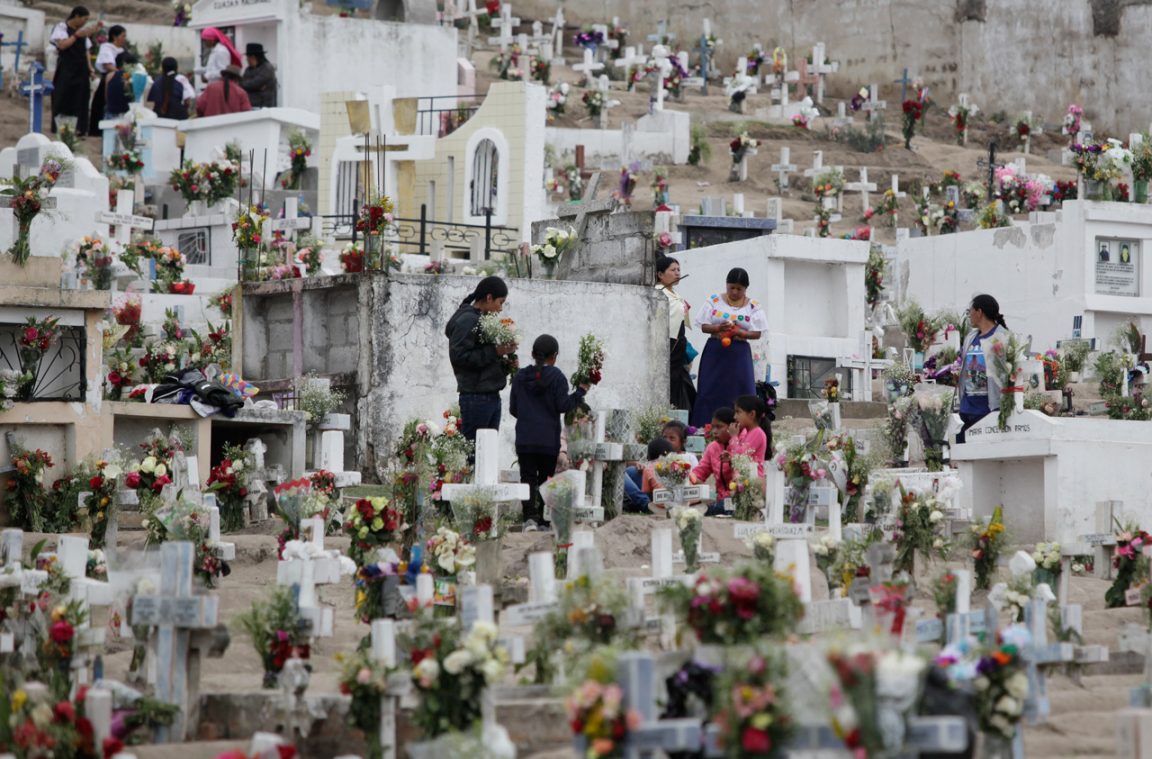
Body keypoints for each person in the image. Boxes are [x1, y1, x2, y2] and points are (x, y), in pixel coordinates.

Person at [509, 334, 589, 528]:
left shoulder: (520, 377)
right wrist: (580, 392)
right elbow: (563, 405)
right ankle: (545, 519)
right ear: (555, 356)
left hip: (525, 438)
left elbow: (513, 409)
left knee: (527, 477)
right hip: (547, 439)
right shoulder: (557, 377)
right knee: (547, 477)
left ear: (532, 354)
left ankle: (529, 517)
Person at [690, 267, 768, 427]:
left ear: (746, 289)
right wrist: (719, 328)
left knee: (740, 390)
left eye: (739, 289)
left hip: (739, 354)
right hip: (716, 352)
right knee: (709, 390)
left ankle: (741, 428)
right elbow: (704, 326)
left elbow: (757, 333)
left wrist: (740, 332)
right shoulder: (714, 301)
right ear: (726, 285)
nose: (734, 292)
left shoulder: (753, 306)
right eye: (731, 287)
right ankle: (704, 428)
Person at [444, 276, 514, 441]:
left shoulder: (480, 318)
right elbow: (459, 357)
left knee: (488, 453)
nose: (500, 308)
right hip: (476, 397)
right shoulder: (468, 320)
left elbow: (484, 359)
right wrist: (495, 351)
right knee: (475, 454)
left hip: (489, 395)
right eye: (500, 302)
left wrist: (505, 364)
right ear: (489, 298)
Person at [956, 294, 1008, 443]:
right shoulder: (970, 338)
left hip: (988, 409)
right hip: (968, 409)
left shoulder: (1002, 337)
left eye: (970, 311)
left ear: (979, 312)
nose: (969, 315)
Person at [49, 7, 103, 136]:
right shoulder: (62, 28)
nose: (85, 22)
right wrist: (75, 36)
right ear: (77, 16)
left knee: (81, 98)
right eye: (84, 19)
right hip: (66, 69)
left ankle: (79, 128)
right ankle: (61, 127)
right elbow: (62, 45)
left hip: (81, 69)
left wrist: (90, 68)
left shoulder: (82, 32)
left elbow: (86, 51)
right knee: (63, 96)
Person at [654, 256, 696, 413]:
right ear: (660, 274)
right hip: (669, 345)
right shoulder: (658, 292)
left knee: (681, 383)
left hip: (679, 345)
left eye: (679, 270)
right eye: (673, 270)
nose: (677, 273)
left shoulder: (674, 293)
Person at [690, 407, 735, 515]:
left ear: (733, 426)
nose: (714, 432)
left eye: (719, 427)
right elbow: (700, 472)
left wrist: (734, 441)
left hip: (736, 499)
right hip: (720, 500)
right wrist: (686, 476)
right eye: (713, 427)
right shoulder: (712, 448)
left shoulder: (742, 445)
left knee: (707, 510)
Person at [89, 23, 126, 134]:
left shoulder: (121, 49)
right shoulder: (107, 48)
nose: (124, 39)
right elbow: (107, 65)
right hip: (110, 79)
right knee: (102, 104)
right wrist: (120, 74)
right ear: (115, 36)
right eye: (123, 36)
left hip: (121, 80)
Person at [623, 438, 675, 513]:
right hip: (676, 500)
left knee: (624, 473)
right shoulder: (675, 464)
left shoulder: (648, 468)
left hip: (660, 503)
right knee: (630, 470)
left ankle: (647, 506)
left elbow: (645, 490)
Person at [728, 394, 772, 475]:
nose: (734, 417)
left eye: (738, 412)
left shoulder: (757, 433)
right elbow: (738, 454)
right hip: (745, 481)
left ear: (752, 414)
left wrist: (734, 437)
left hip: (753, 482)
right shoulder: (745, 433)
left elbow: (740, 457)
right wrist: (729, 456)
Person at [240, 42, 278, 108]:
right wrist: (256, 89)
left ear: (253, 57)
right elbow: (242, 85)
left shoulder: (267, 68)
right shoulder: (248, 70)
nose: (246, 59)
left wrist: (250, 87)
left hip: (265, 107)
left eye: (248, 57)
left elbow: (254, 84)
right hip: (251, 105)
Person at [103, 52, 134, 120]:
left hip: (110, 114)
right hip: (126, 115)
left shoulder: (109, 76)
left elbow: (106, 97)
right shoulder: (130, 77)